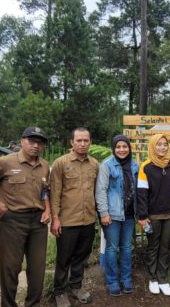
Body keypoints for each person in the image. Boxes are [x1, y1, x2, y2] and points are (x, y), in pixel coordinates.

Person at [0, 126, 50, 307]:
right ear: (22, 141)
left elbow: (45, 191)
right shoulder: (5, 162)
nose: (35, 146)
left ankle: (33, 303)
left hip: (38, 223)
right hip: (13, 222)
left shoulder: (45, 165)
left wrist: (47, 209)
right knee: (10, 267)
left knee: (37, 268)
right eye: (31, 141)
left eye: (40, 143)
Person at [50, 127, 99, 307]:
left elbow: (97, 192)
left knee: (81, 257)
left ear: (90, 142)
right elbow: (55, 193)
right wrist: (55, 218)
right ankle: (60, 291)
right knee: (64, 258)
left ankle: (76, 287)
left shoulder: (94, 164)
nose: (82, 143)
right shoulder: (60, 163)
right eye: (78, 140)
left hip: (88, 220)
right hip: (67, 220)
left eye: (85, 140)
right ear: (72, 142)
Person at [137, 134, 170, 296]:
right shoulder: (146, 167)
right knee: (153, 247)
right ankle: (153, 279)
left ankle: (163, 279)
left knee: (165, 247)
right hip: (153, 216)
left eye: (165, 144)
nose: (162, 148)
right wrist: (143, 216)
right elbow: (142, 194)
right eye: (159, 144)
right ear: (152, 146)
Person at [95, 135, 139, 296]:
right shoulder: (107, 165)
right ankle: (112, 280)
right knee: (112, 248)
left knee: (127, 247)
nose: (122, 150)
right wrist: (104, 213)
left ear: (129, 148)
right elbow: (100, 190)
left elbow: (138, 190)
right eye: (118, 147)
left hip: (129, 215)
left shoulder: (135, 165)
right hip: (112, 215)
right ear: (114, 148)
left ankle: (126, 278)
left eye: (124, 146)